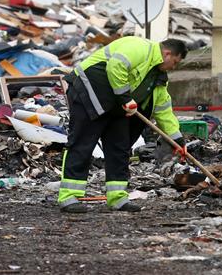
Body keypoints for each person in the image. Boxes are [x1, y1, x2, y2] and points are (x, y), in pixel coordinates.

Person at [57, 36, 187, 213]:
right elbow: (115, 66)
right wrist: (126, 98)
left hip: (116, 105)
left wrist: (177, 139)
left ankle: (117, 197)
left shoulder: (158, 78)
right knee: (82, 144)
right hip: (90, 92)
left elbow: (162, 109)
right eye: (175, 62)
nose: (174, 67)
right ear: (167, 53)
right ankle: (69, 196)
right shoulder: (140, 47)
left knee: (119, 148)